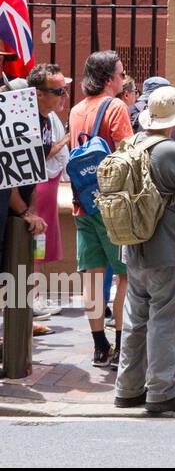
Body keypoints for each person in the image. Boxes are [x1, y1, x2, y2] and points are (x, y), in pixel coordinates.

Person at [112, 86, 175, 415]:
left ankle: (127, 387)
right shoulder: (171, 151)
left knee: (136, 318)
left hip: (133, 244)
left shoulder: (133, 142)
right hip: (167, 247)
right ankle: (162, 389)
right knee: (166, 319)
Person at [69, 50, 134, 367]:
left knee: (93, 278)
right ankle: (122, 345)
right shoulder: (117, 106)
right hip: (112, 208)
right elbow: (128, 152)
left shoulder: (76, 109)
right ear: (109, 79)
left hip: (82, 206)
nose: (123, 80)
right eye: (121, 74)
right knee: (125, 277)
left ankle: (99, 346)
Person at [27, 63, 71, 329]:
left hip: (45, 185)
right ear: (39, 93)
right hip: (38, 188)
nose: (62, 95)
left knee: (39, 243)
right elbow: (42, 153)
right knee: (36, 244)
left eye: (63, 90)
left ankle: (36, 296)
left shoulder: (48, 117)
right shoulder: (32, 118)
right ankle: (33, 298)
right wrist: (65, 140)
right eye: (57, 91)